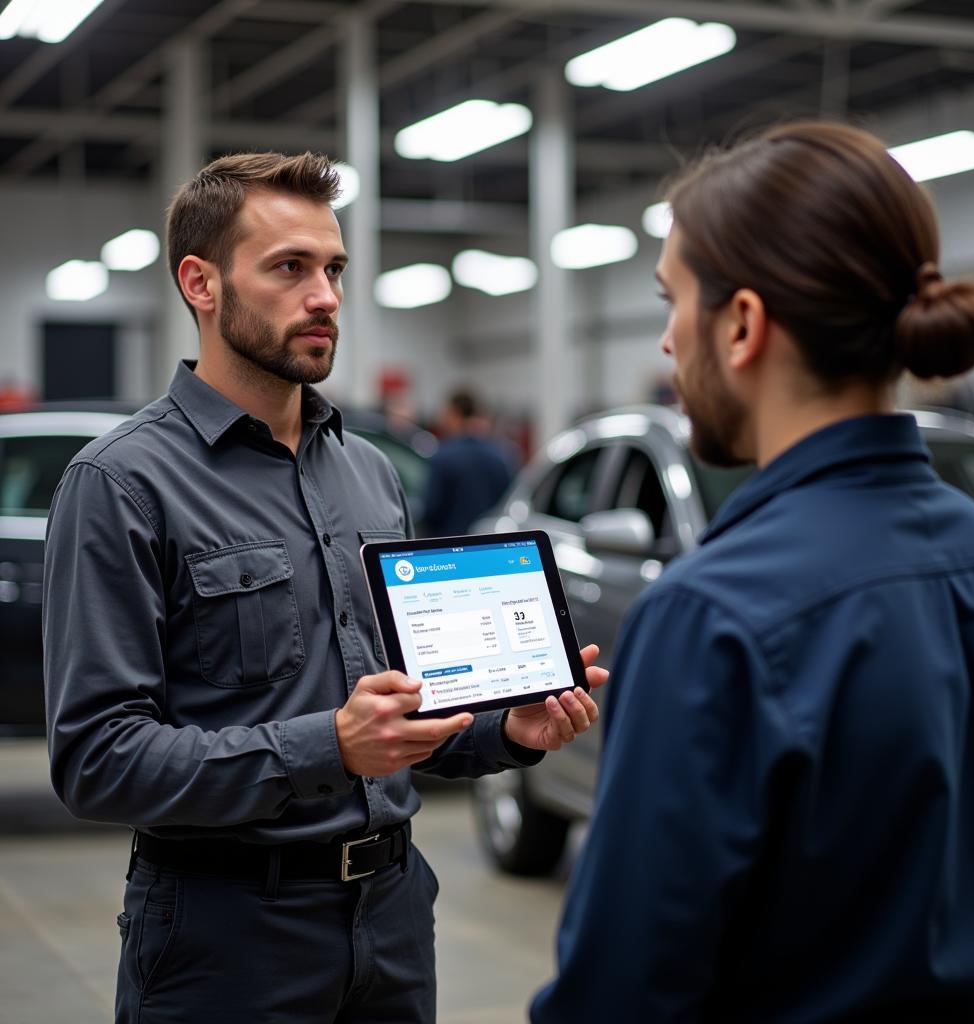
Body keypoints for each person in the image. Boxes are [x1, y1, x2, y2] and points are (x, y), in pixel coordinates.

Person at [42, 151, 606, 1024]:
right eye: (289, 268)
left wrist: (508, 731)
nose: (326, 297)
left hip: (392, 915)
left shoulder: (370, 473)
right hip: (226, 936)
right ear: (201, 282)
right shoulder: (122, 483)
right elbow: (97, 760)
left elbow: (404, 720)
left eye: (334, 268)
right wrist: (326, 746)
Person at [531, 121, 974, 1022]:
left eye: (672, 301)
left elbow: (623, 989)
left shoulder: (711, 615)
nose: (670, 344)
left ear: (743, 325)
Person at [421, 388, 515, 536]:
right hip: (491, 543)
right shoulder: (501, 455)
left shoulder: (444, 456)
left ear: (455, 413)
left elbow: (432, 509)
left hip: (450, 546)